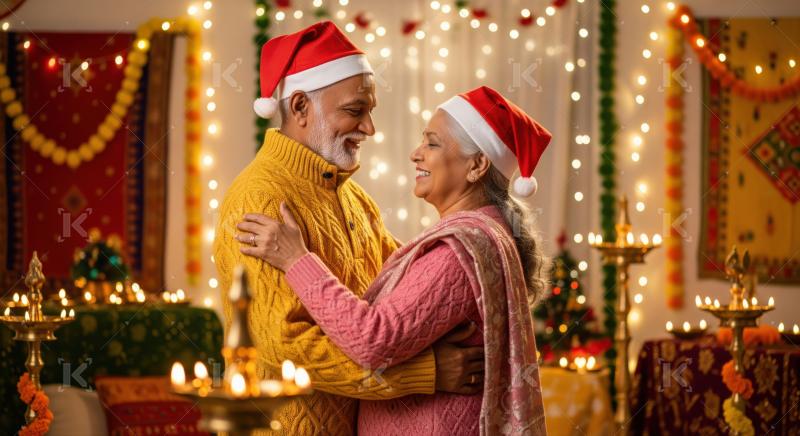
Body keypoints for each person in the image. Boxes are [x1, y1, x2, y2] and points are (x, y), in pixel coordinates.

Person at [213, 21, 483, 436]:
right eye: (355, 111)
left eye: (370, 112)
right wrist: (422, 373)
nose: (370, 129)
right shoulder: (258, 199)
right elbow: (288, 347)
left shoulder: (356, 200)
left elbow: (398, 302)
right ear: (300, 107)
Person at [236, 86, 552, 435]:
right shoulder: (477, 237)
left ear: (477, 165)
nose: (416, 154)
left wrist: (297, 260)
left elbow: (372, 340)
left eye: (433, 143)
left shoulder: (459, 251)